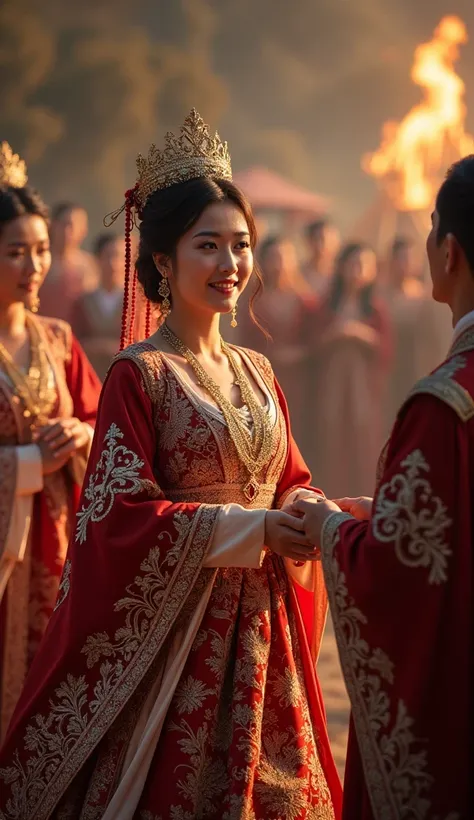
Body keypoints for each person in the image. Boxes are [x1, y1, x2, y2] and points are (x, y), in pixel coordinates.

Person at [0, 111, 342, 819]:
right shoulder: (140, 375)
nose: (231, 265)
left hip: (263, 634)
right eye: (208, 245)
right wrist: (251, 532)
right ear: (162, 261)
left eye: (241, 245)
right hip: (176, 645)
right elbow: (119, 519)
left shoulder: (256, 369)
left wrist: (311, 512)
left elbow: (290, 479)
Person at [292, 155, 474, 819]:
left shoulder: (447, 403)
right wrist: (389, 515)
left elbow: (399, 570)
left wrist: (331, 530)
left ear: (447, 252)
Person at [0, 143, 101, 741]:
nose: (33, 266)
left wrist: (83, 433)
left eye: (39, 251)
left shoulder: (59, 340)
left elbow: (105, 428)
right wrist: (32, 462)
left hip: (56, 542)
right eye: (15, 252)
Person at [308, 242, 391, 498]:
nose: (358, 270)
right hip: (331, 386)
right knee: (332, 439)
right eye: (354, 264)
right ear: (342, 267)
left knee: (363, 442)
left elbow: (387, 351)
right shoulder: (326, 306)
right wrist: (335, 335)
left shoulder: (375, 309)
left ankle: (365, 498)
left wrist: (362, 335)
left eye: (364, 265)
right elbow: (312, 345)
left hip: (363, 390)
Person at [240, 235, 315, 452]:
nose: (280, 264)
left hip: (299, 377)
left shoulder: (305, 301)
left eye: (284, 258)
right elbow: (245, 343)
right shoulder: (253, 302)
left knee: (299, 431)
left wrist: (300, 353)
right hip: (263, 379)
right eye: (273, 258)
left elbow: (316, 340)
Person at [384, 235, 452, 432]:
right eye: (401, 258)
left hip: (417, 362)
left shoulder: (425, 295)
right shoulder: (380, 294)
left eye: (409, 258)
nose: (406, 264)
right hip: (390, 365)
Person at [71, 232, 126, 379]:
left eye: (119, 256)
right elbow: (74, 343)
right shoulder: (82, 302)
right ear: (97, 259)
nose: (113, 263)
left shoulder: (136, 303)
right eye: (108, 256)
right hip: (91, 375)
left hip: (125, 376)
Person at [39, 201, 99, 322]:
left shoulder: (88, 265)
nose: (69, 231)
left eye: (76, 226)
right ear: (52, 226)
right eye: (65, 224)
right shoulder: (39, 260)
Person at [302, 218, 340, 300]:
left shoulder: (342, 274)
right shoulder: (298, 273)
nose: (320, 244)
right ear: (308, 241)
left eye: (324, 239)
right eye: (317, 239)